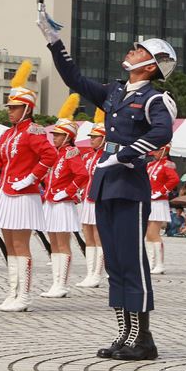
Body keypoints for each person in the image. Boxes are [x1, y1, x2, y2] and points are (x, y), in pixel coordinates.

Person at [40, 15, 175, 361]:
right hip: (105, 182)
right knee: (114, 261)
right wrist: (54, 41)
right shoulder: (116, 91)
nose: (130, 52)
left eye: (137, 50)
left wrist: (126, 154)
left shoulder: (155, 99)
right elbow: (74, 78)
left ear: (149, 66)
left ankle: (143, 338)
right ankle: (124, 333)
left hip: (129, 182)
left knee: (133, 260)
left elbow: (161, 133)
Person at [0, 60, 58, 312]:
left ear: (27, 109)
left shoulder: (35, 131)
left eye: (15, 107)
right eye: (9, 107)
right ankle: (12, 292)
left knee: (20, 245)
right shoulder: (7, 134)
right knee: (8, 245)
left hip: (25, 195)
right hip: (6, 194)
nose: (10, 111)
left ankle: (24, 296)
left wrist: (32, 178)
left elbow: (50, 156)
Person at [40, 97, 88, 299]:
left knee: (62, 244)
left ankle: (62, 284)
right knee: (53, 243)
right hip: (51, 201)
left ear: (68, 137)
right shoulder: (56, 153)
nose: (54, 137)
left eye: (58, 135)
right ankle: (55, 282)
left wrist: (68, 191)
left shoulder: (70, 153)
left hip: (63, 203)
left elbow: (83, 175)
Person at [76, 112, 107, 288]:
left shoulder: (106, 156)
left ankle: (97, 274)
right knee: (87, 235)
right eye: (91, 137)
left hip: (99, 200)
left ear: (103, 139)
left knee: (98, 236)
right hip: (86, 199)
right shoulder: (87, 156)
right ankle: (89, 273)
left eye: (95, 137)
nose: (91, 140)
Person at [145, 146, 179, 274]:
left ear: (164, 150)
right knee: (148, 234)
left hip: (158, 201)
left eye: (158, 150)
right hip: (149, 200)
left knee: (154, 233)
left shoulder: (167, 164)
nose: (154, 152)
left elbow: (174, 179)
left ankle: (159, 264)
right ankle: (150, 263)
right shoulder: (151, 164)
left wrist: (161, 191)